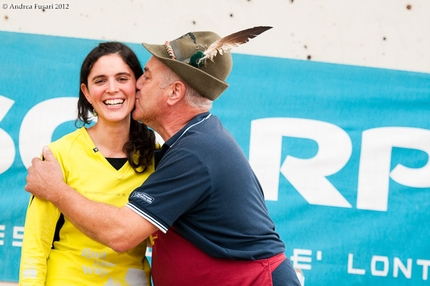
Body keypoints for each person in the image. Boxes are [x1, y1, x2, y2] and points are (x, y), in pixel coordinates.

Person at [25, 28, 301, 285]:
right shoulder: (189, 144)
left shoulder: (195, 153)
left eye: (146, 76)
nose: (137, 86)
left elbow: (121, 234)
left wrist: (56, 190)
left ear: (174, 93)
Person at [20, 42, 156, 286]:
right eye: (100, 80)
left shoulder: (157, 157)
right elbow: (35, 246)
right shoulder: (58, 154)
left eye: (122, 78)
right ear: (86, 91)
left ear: (137, 84)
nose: (112, 89)